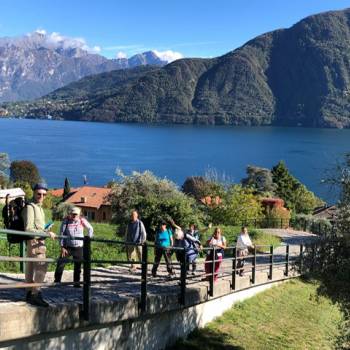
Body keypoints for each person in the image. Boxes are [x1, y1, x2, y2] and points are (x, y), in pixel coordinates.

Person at [22, 183, 56, 307]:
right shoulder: (31, 207)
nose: (41, 196)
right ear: (34, 192)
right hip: (36, 242)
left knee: (30, 268)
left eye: (44, 194)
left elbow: (36, 227)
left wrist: (45, 230)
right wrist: (46, 233)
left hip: (35, 241)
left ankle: (29, 293)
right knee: (42, 267)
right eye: (39, 193)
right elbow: (28, 228)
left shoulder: (39, 207)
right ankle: (35, 294)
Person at [54, 207, 94, 287]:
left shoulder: (82, 220)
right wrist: (62, 247)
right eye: (72, 214)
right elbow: (62, 233)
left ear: (79, 215)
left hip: (79, 247)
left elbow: (90, 228)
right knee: (61, 263)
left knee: (78, 266)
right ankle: (57, 281)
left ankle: (76, 283)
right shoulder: (66, 221)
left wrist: (88, 239)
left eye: (76, 214)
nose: (74, 215)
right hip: (67, 247)